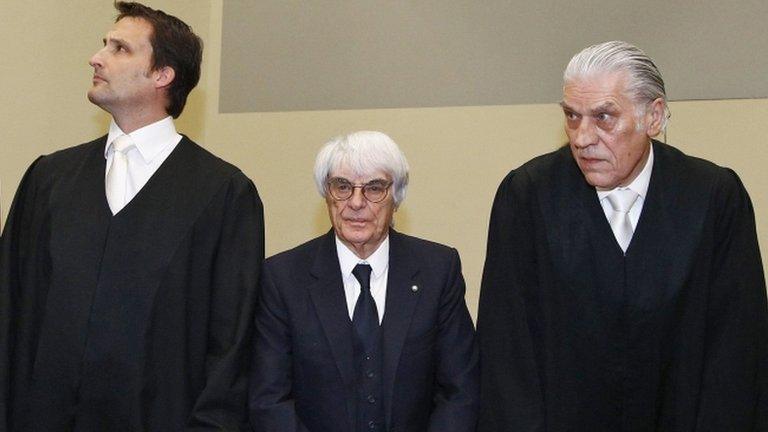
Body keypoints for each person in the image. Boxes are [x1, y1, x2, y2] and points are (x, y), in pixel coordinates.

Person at [477, 41, 767, 431]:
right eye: (572, 117)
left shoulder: (713, 197)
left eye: (603, 118)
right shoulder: (528, 196)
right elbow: (507, 353)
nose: (582, 138)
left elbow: (737, 352)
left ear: (654, 117)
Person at [0, 2, 264, 430]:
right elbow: (11, 312)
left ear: (163, 75)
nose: (96, 57)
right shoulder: (48, 179)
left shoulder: (223, 195)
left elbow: (231, 348)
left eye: (120, 48)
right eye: (104, 44)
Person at [250, 131, 479, 432]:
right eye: (342, 187)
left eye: (374, 188)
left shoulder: (437, 270)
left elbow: (460, 391)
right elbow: (269, 400)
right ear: (327, 194)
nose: (356, 203)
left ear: (396, 197)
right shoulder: (282, 277)